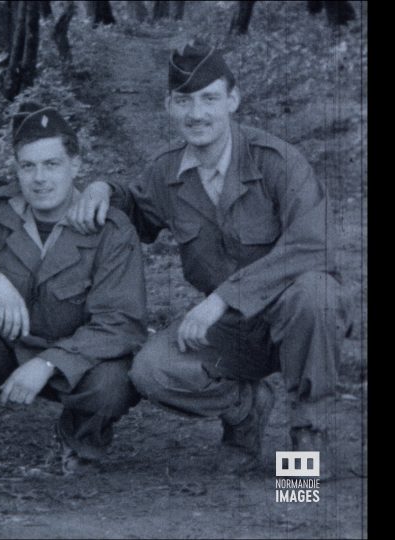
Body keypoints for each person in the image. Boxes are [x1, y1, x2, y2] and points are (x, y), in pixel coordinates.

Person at [68, 40, 349, 477]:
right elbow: (135, 211)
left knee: (317, 294)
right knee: (152, 370)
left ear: (232, 100)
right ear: (168, 106)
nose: (196, 114)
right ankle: (246, 413)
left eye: (209, 98)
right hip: (234, 332)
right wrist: (102, 187)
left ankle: (307, 447)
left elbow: (317, 243)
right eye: (184, 101)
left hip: (295, 321)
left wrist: (223, 297)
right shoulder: (166, 173)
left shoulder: (276, 161)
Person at [0, 103, 147, 483]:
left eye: (51, 164)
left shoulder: (111, 229)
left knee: (115, 380)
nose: (39, 179)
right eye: (28, 166)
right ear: (17, 169)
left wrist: (49, 363)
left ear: (75, 165)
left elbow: (121, 324)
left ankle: (81, 438)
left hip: (74, 360)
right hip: (8, 348)